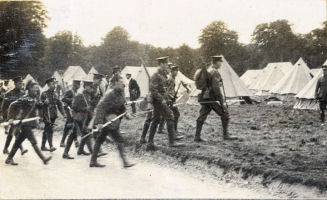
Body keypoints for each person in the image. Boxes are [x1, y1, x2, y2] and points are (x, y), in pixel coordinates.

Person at [89, 79, 135, 168]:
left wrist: (127, 114)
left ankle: (93, 161)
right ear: (115, 84)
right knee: (119, 140)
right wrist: (99, 122)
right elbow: (100, 107)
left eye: (122, 84)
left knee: (100, 139)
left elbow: (122, 107)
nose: (122, 85)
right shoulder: (109, 94)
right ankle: (125, 162)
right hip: (108, 120)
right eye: (120, 83)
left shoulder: (121, 94)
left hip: (114, 120)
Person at [5, 80, 52, 165]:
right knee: (33, 141)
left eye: (37, 90)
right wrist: (10, 118)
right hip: (25, 124)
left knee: (18, 141)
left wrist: (45, 104)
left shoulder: (35, 98)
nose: (36, 91)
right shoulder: (25, 98)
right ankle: (43, 159)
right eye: (34, 89)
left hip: (29, 124)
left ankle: (9, 158)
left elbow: (39, 106)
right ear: (29, 89)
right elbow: (12, 105)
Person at [194, 55, 236, 142]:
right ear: (216, 62)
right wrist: (221, 100)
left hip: (204, 97)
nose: (221, 64)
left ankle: (197, 137)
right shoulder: (214, 72)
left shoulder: (209, 70)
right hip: (212, 98)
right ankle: (226, 135)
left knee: (202, 115)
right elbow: (216, 88)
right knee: (225, 114)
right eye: (220, 62)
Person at [146, 56, 184, 150]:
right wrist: (161, 99)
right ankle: (171, 142)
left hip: (162, 100)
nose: (167, 66)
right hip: (159, 101)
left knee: (155, 120)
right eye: (166, 64)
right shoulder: (156, 75)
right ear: (161, 64)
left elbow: (164, 90)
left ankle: (150, 143)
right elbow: (153, 90)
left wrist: (169, 97)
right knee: (170, 115)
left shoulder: (163, 75)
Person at [62, 79, 94, 159]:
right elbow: (74, 107)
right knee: (83, 134)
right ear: (86, 87)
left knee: (76, 134)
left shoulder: (87, 96)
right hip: (78, 118)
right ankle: (93, 153)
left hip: (83, 118)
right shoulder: (80, 95)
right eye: (91, 87)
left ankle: (79, 150)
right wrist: (85, 109)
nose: (92, 89)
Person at [2, 76, 28, 155]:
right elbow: (4, 107)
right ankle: (21, 149)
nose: (21, 85)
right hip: (12, 117)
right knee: (16, 132)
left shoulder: (23, 93)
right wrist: (6, 118)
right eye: (19, 83)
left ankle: (5, 149)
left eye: (22, 83)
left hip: (20, 116)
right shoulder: (8, 94)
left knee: (12, 133)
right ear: (15, 84)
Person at [40, 77, 65, 152]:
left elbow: (60, 104)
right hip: (46, 115)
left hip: (53, 115)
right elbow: (39, 104)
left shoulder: (55, 94)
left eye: (55, 83)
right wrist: (44, 102)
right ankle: (51, 146)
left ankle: (43, 146)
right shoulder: (44, 94)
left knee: (46, 130)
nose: (54, 85)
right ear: (48, 84)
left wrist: (64, 114)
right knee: (49, 129)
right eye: (53, 83)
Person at [60, 79, 81, 147]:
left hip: (74, 111)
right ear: (74, 84)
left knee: (72, 126)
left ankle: (74, 141)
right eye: (78, 84)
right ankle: (64, 142)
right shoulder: (70, 91)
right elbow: (63, 99)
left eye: (79, 84)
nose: (79, 86)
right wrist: (72, 100)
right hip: (69, 111)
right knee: (68, 126)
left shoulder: (76, 92)